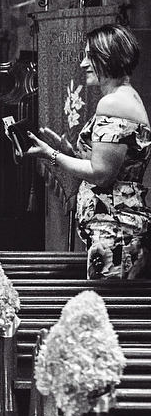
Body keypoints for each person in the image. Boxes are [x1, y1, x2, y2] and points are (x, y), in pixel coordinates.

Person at [26, 24, 151, 279]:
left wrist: (51, 154)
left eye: (89, 56)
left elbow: (102, 174)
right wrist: (68, 151)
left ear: (108, 58)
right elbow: (112, 166)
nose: (83, 64)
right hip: (114, 230)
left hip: (115, 233)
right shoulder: (124, 97)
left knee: (111, 313)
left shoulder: (114, 102)